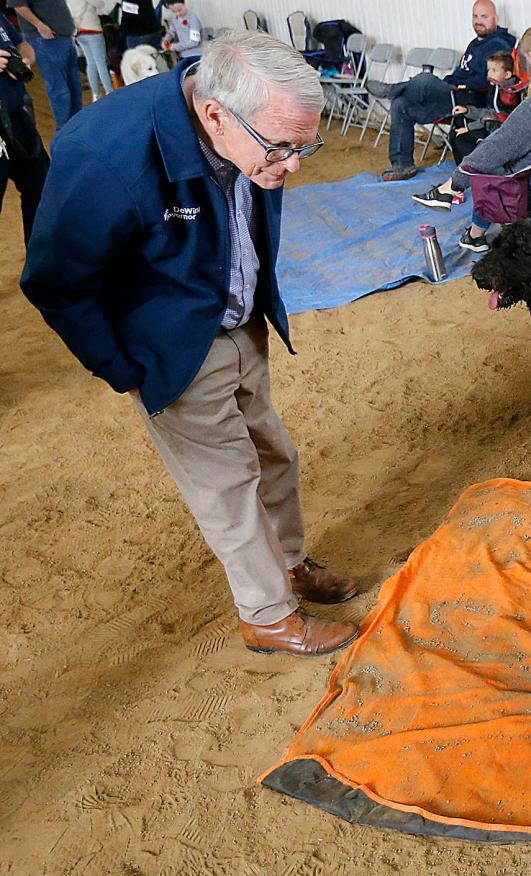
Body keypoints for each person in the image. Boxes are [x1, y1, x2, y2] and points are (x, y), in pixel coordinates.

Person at [21, 31, 361, 658]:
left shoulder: (248, 126)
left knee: (273, 453)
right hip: (171, 350)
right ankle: (267, 615)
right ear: (213, 114)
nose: (294, 166)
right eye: (283, 148)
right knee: (227, 484)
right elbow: (55, 281)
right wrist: (122, 366)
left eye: (305, 146)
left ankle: (289, 563)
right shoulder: (106, 153)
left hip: (239, 323)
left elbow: (250, 207)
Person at [412, 35, 531, 255]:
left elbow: (494, 151)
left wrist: (460, 178)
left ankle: (456, 201)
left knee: (489, 165)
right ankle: (470, 226)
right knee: (501, 156)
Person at [379, 0, 514, 182]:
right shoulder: (475, 43)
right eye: (475, 16)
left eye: (484, 16)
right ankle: (402, 165)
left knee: (426, 80)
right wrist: (448, 83)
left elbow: (491, 78)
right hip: (451, 95)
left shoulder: (499, 44)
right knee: (400, 104)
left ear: (495, 19)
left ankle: (392, 89)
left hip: (469, 99)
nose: (478, 21)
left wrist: (461, 85)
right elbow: (460, 72)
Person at [0, 11, 49, 242]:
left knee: (42, 188)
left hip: (16, 116)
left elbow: (21, 43)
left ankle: (38, 266)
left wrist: (25, 58)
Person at [10, 0, 80, 129]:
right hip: (46, 40)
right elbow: (19, 5)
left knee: (73, 86)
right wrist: (40, 26)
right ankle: (65, 130)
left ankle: (78, 126)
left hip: (63, 36)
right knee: (60, 89)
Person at [447, 49, 522, 166]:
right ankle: (464, 172)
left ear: (507, 74)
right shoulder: (495, 88)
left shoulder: (510, 92)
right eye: (488, 70)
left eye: (494, 70)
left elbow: (499, 118)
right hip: (490, 125)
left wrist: (470, 128)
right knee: (453, 134)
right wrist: (467, 110)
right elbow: (489, 112)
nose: (489, 74)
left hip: (499, 131)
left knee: (462, 139)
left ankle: (476, 172)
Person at [67, 0, 116, 103]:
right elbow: (100, 4)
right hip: (93, 30)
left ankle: (96, 94)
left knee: (90, 63)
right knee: (101, 63)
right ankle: (109, 92)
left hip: (78, 31)